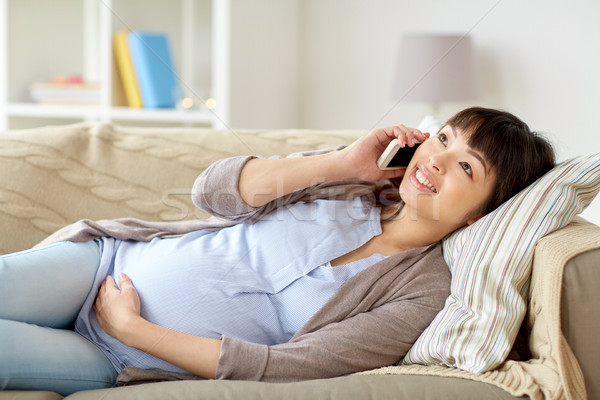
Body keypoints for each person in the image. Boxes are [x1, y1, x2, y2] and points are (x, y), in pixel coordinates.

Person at [0, 107, 555, 395]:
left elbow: (292, 368)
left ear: (484, 213)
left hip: (126, 357)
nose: (435, 160)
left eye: (465, 166)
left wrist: (134, 332)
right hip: (104, 263)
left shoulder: (424, 291)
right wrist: (341, 162)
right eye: (444, 138)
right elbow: (211, 191)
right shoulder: (354, 181)